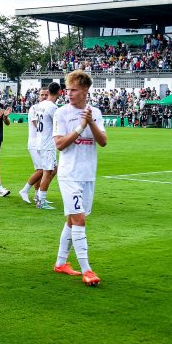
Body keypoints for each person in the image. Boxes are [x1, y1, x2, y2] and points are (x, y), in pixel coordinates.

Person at [52, 70, 107, 286]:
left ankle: (60, 263)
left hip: (87, 175)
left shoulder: (96, 112)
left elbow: (102, 141)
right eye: (68, 89)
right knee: (79, 219)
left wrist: (90, 122)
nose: (69, 93)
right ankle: (87, 270)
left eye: (74, 90)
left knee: (71, 219)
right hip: (69, 175)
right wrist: (80, 127)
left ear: (85, 90)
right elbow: (59, 145)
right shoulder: (62, 113)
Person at [34, 82, 61, 210]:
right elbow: (58, 126)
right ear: (59, 92)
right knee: (47, 172)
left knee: (53, 170)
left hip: (39, 142)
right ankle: (41, 200)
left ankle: (40, 196)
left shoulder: (41, 105)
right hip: (47, 143)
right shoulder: (53, 107)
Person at [18, 88, 47, 204]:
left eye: (46, 94)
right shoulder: (34, 108)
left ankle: (37, 195)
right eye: (42, 95)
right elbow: (37, 124)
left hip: (43, 143)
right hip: (35, 142)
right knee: (42, 169)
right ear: (38, 96)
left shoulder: (48, 108)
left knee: (41, 169)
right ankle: (24, 190)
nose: (44, 96)